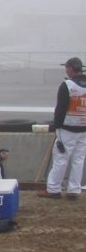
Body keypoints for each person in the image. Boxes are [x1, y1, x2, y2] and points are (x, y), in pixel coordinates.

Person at [38, 56, 86, 199]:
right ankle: (74, 190)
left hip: (66, 129)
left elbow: (61, 108)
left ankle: (53, 189)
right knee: (79, 159)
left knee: (61, 158)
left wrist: (55, 125)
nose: (66, 70)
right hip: (84, 129)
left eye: (66, 67)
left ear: (71, 69)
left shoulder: (67, 85)